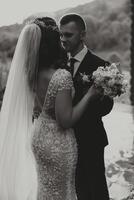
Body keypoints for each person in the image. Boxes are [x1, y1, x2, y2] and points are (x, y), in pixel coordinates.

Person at [0, 16, 101, 200]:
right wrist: (90, 95)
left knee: (46, 188)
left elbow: (38, 108)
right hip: (58, 143)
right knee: (63, 191)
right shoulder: (60, 75)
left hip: (39, 137)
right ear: (52, 43)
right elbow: (65, 120)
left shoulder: (30, 72)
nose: (62, 40)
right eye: (59, 37)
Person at [59, 13, 114, 200]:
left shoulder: (100, 65)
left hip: (91, 139)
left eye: (69, 35)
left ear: (82, 35)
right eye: (61, 35)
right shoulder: (60, 65)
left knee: (96, 190)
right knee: (78, 190)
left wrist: (90, 100)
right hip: (66, 141)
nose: (63, 39)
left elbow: (108, 106)